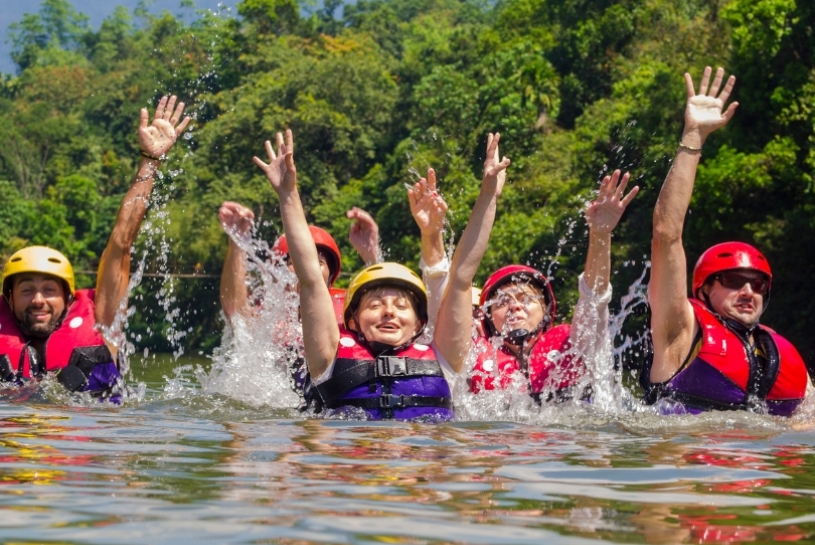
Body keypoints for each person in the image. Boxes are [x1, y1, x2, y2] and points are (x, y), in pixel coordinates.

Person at [254, 129, 509, 420]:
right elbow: (311, 278)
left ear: (419, 325)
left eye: (401, 307)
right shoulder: (328, 359)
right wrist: (288, 194)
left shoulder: (443, 360)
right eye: (375, 305)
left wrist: (488, 195)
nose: (389, 312)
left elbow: (463, 276)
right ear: (352, 321)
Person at [0, 96, 191, 400]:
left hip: (96, 442)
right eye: (26, 290)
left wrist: (150, 162)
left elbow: (121, 243)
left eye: (49, 289)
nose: (38, 300)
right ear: (8, 299)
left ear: (67, 296)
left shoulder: (103, 320)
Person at [643, 66, 809, 415]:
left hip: (758, 467)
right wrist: (693, 136)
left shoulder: (784, 357)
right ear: (703, 288)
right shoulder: (680, 330)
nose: (749, 292)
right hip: (688, 465)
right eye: (733, 282)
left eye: (758, 285)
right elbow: (666, 233)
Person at [469, 170, 638, 401]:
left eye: (526, 299)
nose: (515, 307)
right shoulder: (472, 358)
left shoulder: (575, 342)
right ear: (487, 317)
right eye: (502, 302)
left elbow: (594, 298)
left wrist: (600, 235)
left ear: (546, 312)